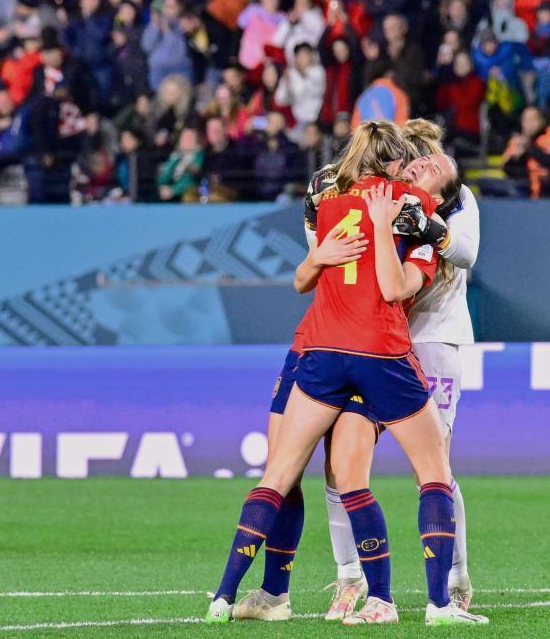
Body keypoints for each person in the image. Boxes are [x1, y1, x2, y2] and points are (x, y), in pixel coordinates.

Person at [205, 121, 486, 626]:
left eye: (433, 165)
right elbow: (385, 286)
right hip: (378, 351)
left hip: (327, 351)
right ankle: (408, 596)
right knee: (414, 471)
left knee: (303, 473)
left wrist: (337, 240)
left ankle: (228, 596)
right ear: (398, 162)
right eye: (418, 160)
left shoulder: (347, 201)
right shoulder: (408, 214)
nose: (423, 165)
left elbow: (304, 278)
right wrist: (361, 235)